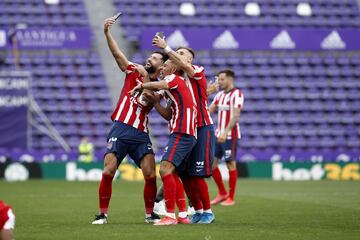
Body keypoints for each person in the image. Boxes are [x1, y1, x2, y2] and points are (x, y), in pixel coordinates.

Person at [92, 16, 168, 224]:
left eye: (155, 58)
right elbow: (117, 54)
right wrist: (107, 32)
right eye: (150, 56)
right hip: (120, 128)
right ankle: (102, 214)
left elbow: (150, 100)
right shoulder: (133, 70)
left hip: (140, 133)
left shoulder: (160, 87)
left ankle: (149, 213)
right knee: (108, 171)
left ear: (161, 67)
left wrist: (145, 80)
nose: (149, 59)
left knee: (151, 175)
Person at [152, 36, 216, 224]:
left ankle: (207, 211)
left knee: (196, 174)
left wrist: (166, 47)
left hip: (202, 127)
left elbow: (185, 67)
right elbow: (169, 114)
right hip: (185, 130)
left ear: (189, 60)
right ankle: (195, 210)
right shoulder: (174, 81)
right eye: (175, 54)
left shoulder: (196, 71)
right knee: (186, 175)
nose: (174, 57)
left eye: (181, 54)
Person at [130, 59, 197, 226]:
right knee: (172, 173)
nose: (161, 68)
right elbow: (166, 113)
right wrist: (154, 102)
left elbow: (156, 86)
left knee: (165, 170)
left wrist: (142, 84)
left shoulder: (173, 79)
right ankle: (182, 215)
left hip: (182, 132)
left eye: (165, 65)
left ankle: (170, 215)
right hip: (182, 133)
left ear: (173, 68)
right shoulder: (170, 86)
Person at [208, 70, 244, 206]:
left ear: (230, 79)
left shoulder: (237, 94)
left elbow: (235, 116)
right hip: (218, 135)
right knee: (211, 165)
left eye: (222, 79)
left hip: (230, 135)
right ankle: (222, 193)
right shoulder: (219, 95)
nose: (219, 82)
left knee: (230, 164)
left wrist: (225, 132)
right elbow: (209, 110)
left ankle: (231, 197)